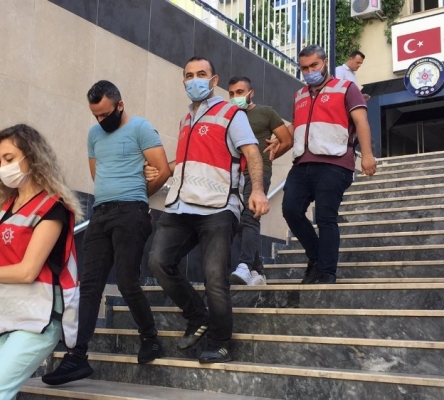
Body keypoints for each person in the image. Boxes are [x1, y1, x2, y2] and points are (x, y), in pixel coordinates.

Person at [41, 80, 170, 385]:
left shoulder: (141, 128)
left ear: (119, 105)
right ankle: (77, 357)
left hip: (131, 212)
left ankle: (150, 337)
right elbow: (97, 174)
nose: (100, 120)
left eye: (105, 114)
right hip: (101, 214)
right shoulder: (94, 135)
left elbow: (163, 169)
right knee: (89, 286)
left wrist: (138, 194)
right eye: (95, 115)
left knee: (126, 281)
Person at [148, 56, 269, 364]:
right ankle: (196, 315)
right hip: (180, 206)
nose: (194, 80)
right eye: (189, 75)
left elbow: (252, 152)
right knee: (159, 262)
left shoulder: (231, 113)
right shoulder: (186, 119)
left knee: (214, 276)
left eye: (201, 74)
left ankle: (220, 341)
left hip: (218, 207)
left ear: (214, 81)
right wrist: (159, 172)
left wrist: (257, 190)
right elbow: (189, 160)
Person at [0, 124, 83, 400]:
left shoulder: (52, 208)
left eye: (9, 159)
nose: (3, 167)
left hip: (36, 321)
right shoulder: (6, 207)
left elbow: (27, 271)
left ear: (32, 157)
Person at [278, 44, 376, 284]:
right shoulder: (300, 95)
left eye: (314, 65)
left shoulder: (346, 88)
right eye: (304, 68)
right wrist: (278, 143)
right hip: (302, 163)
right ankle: (316, 258)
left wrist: (367, 155)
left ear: (325, 62)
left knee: (325, 217)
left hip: (335, 163)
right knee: (291, 210)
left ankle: (326, 272)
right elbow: (298, 125)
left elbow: (361, 122)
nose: (309, 71)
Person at [227, 76, 293, 286]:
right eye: (231, 93)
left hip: (258, 172)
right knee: (240, 221)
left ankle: (245, 266)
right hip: (234, 174)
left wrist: (269, 158)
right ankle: (258, 271)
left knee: (250, 215)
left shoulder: (266, 112)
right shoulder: (229, 115)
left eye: (239, 92)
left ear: (251, 93)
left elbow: (286, 140)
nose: (235, 97)